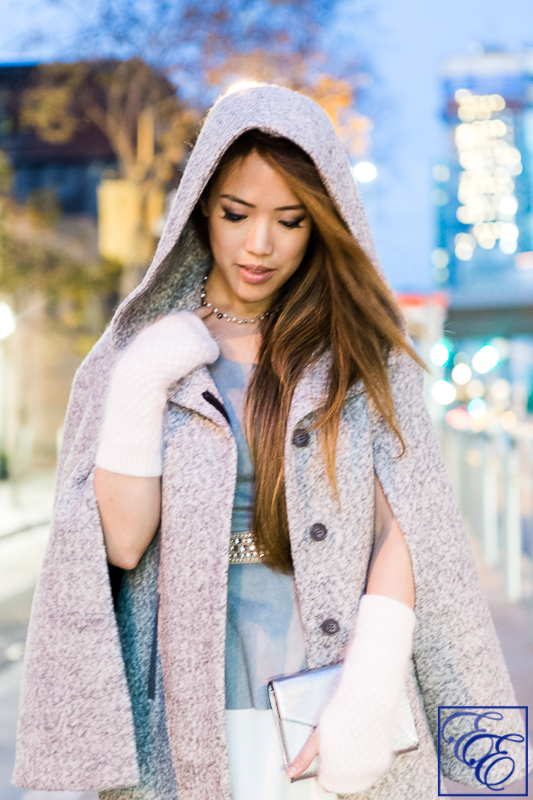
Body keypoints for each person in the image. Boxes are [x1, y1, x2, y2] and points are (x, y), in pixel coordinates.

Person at [13, 84, 529, 800]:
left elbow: (409, 523)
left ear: (322, 222)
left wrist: (369, 687)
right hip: (189, 698)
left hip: (332, 687)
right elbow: (123, 544)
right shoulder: (135, 353)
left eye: (289, 220)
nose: (259, 244)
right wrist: (139, 382)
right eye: (236, 214)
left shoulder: (360, 351)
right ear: (200, 207)